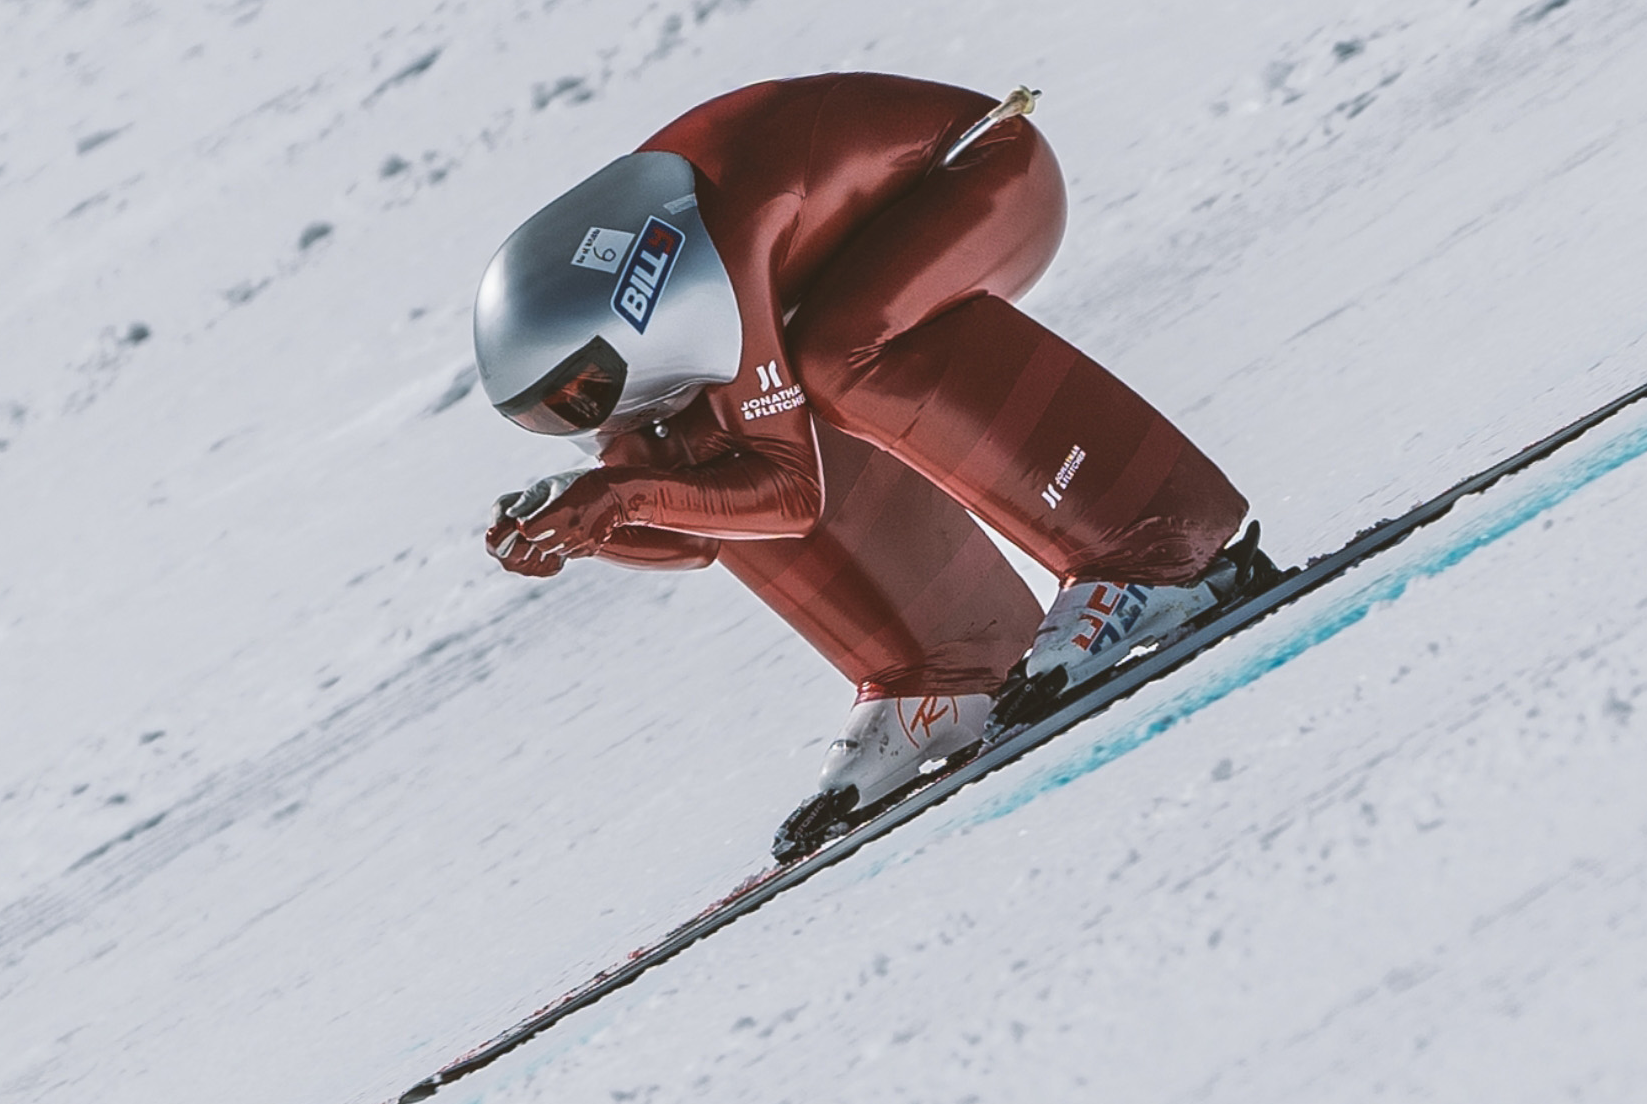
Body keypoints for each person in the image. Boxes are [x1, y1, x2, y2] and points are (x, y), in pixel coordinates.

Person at [473, 73, 1275, 856]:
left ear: (628, 308)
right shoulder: (625, 337)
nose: (585, 418)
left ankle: (1158, 548)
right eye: (554, 417)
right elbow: (695, 527)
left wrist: (614, 496)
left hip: (982, 171)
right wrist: (583, 528)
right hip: (841, 254)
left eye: (582, 395)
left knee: (839, 353)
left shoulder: (702, 269)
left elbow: (787, 494)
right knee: (696, 444)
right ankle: (940, 672)